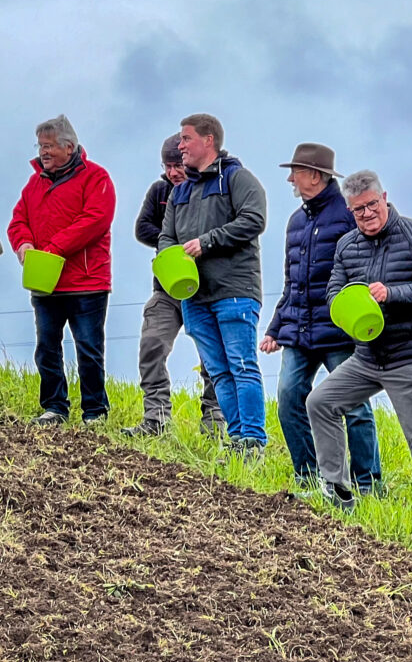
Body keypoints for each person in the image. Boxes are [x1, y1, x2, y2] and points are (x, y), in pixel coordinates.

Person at [306, 170, 412, 523]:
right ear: (350, 210)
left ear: (383, 197)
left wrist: (391, 294)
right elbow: (333, 293)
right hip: (369, 355)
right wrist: (347, 304)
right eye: (358, 210)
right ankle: (336, 489)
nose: (367, 214)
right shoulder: (346, 245)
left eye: (372, 205)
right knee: (320, 402)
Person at [260, 143, 381, 493]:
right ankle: (310, 477)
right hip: (298, 332)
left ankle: (367, 483)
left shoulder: (348, 212)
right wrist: (275, 327)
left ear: (315, 175)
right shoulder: (296, 221)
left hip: (340, 333)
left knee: (354, 406)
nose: (290, 179)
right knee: (288, 398)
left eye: (295, 172)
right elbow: (292, 281)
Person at [158, 113, 268, 457]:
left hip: (234, 292)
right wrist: (171, 259)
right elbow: (166, 237)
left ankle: (253, 441)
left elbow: (254, 220)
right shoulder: (181, 192)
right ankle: (238, 442)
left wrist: (207, 242)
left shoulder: (238, 178)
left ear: (209, 140)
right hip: (194, 296)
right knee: (219, 372)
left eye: (186, 138)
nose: (181, 145)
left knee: (242, 365)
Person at [7, 114, 116, 426]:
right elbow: (17, 221)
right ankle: (54, 407)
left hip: (87, 281)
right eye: (41, 146)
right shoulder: (34, 183)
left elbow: (95, 219)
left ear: (69, 147)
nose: (43, 152)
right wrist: (24, 245)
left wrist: (53, 248)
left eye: (50, 146)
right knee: (46, 348)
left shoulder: (98, 178)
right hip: (45, 282)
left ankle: (95, 412)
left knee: (89, 349)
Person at [123, 134, 224, 437]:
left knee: (212, 358)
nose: (172, 172)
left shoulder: (214, 189)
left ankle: (215, 424)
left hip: (208, 288)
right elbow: (142, 228)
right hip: (167, 288)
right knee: (151, 345)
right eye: (167, 166)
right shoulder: (160, 191)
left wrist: (199, 244)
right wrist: (174, 245)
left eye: (176, 165)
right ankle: (156, 419)